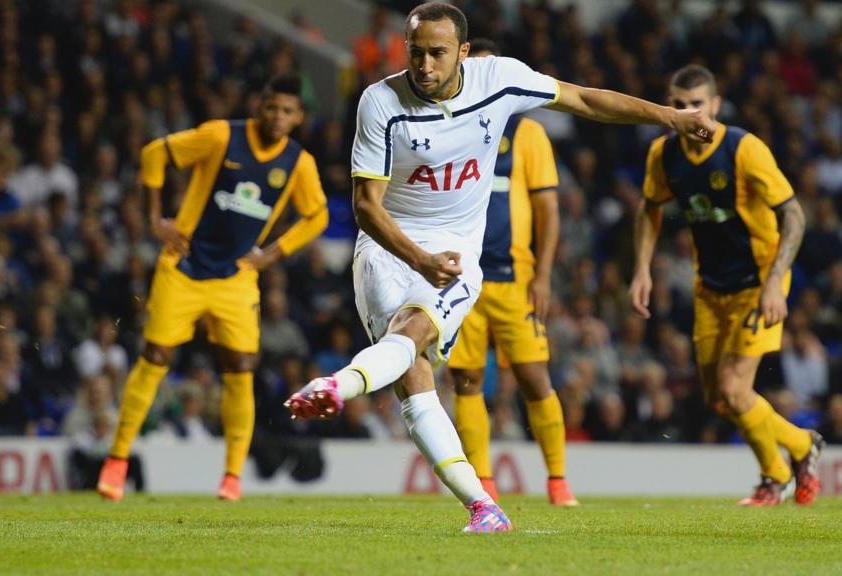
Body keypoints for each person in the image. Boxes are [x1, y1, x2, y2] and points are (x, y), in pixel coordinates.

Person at [285, 2, 715, 533]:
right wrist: (417, 259)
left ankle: (341, 388)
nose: (424, 65)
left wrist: (669, 117)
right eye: (415, 52)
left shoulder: (500, 79)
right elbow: (366, 207)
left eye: (437, 53)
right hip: (387, 248)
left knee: (413, 336)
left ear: (463, 52)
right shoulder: (380, 101)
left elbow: (583, 99)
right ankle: (479, 503)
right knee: (413, 374)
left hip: (459, 251)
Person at [97, 75, 328, 502]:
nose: (278, 117)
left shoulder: (299, 163)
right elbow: (154, 154)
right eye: (272, 107)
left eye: (287, 111)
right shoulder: (221, 135)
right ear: (261, 105)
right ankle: (117, 459)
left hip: (237, 277)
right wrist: (155, 219)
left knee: (240, 366)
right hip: (183, 266)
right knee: (156, 356)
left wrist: (271, 254)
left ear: (298, 117)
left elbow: (317, 216)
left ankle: (232, 476)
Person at [629, 64, 824, 506]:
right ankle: (796, 449)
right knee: (720, 399)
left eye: (697, 104)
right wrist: (642, 268)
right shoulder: (664, 154)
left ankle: (776, 476)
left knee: (737, 390)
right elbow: (649, 207)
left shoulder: (744, 149)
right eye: (678, 105)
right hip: (710, 286)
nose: (688, 113)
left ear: (715, 106)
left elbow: (793, 214)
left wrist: (775, 282)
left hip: (758, 284)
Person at [445, 39, 576, 506]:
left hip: (515, 279)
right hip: (461, 280)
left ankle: (558, 481)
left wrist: (543, 275)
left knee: (534, 378)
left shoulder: (528, 134)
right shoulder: (449, 128)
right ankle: (483, 482)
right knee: (466, 381)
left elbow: (548, 209)